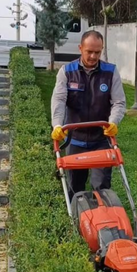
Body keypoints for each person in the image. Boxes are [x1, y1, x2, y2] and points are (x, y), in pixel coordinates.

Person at [50, 30, 126, 200]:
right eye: (89, 51)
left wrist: (113, 122)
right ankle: (78, 221)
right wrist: (57, 125)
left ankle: (102, 221)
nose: (93, 56)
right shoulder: (67, 72)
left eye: (97, 52)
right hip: (75, 139)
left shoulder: (110, 72)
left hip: (101, 140)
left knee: (101, 187)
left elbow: (119, 102)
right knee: (75, 187)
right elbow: (59, 100)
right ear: (80, 48)